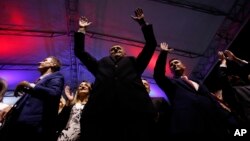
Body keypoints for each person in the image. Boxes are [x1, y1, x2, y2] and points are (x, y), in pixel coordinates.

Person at [74, 8, 157, 141]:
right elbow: (80, 52)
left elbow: (151, 45)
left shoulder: (134, 63)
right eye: (112, 49)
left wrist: (142, 23)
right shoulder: (100, 64)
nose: (116, 48)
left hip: (135, 114)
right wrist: (81, 30)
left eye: (119, 48)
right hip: (100, 115)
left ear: (125, 53)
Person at [153, 42, 234, 139]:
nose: (174, 64)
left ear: (184, 66)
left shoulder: (198, 82)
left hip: (214, 123)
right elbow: (158, 75)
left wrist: (227, 116)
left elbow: (211, 100)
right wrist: (163, 53)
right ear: (170, 70)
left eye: (176, 62)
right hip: (190, 126)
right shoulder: (171, 84)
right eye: (171, 65)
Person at [0, 56, 64, 141]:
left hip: (32, 127)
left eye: (44, 60)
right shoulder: (39, 81)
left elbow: (54, 93)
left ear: (53, 64)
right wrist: (12, 108)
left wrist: (29, 85)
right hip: (20, 125)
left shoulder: (57, 76)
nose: (39, 62)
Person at [217, 50, 250, 129]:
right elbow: (222, 79)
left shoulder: (246, 87)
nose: (233, 75)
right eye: (231, 76)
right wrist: (224, 62)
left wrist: (235, 59)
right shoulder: (233, 93)